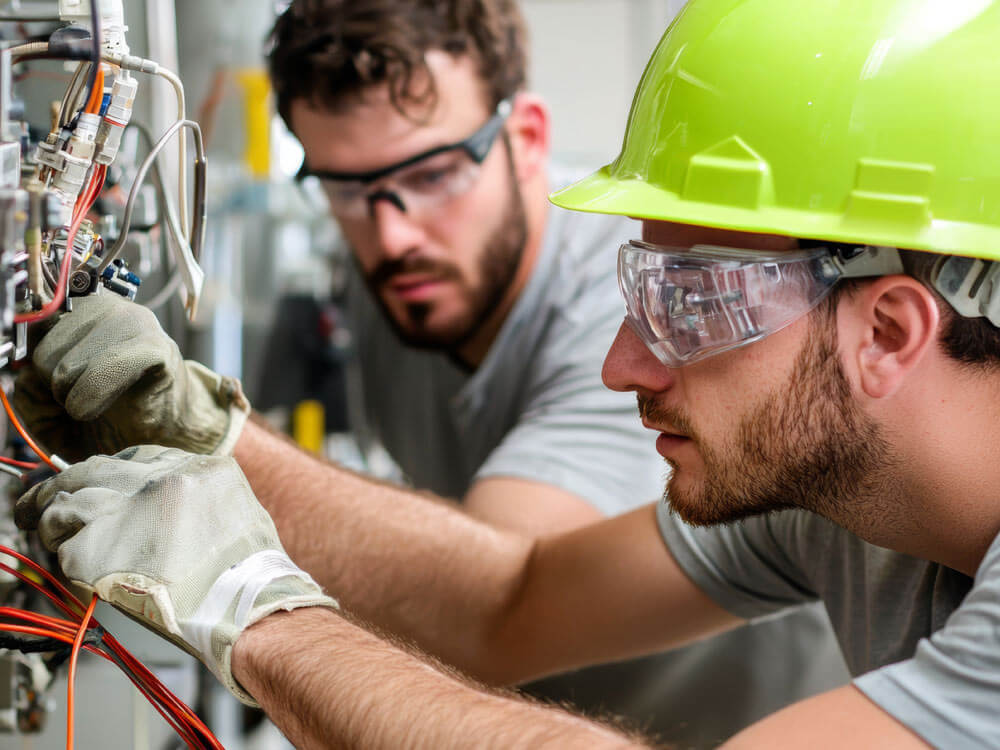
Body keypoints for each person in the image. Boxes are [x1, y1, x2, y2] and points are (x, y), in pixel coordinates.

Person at [13, 0, 1000, 746]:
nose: (622, 367)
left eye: (691, 308)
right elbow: (510, 603)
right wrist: (205, 434)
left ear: (886, 332)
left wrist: (250, 609)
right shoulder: (832, 501)